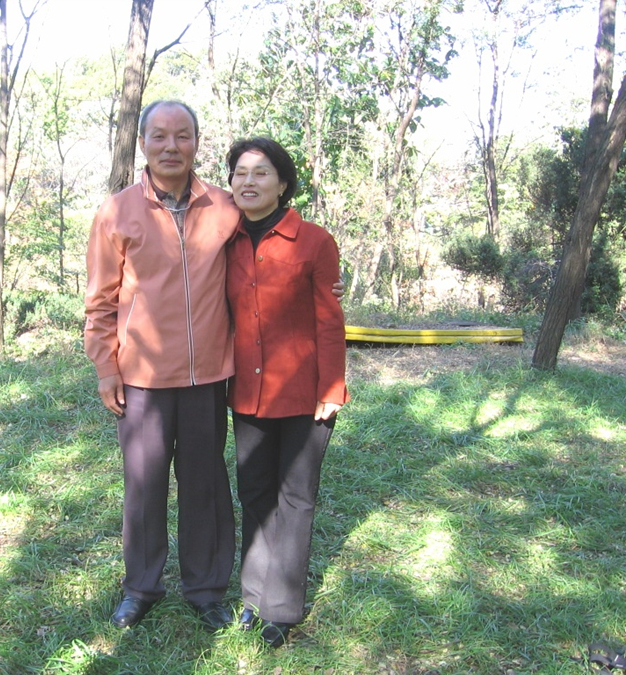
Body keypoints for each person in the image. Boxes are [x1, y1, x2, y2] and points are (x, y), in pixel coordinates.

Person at [84, 100, 239, 631]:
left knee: (204, 484)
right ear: (143, 143)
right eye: (160, 136)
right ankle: (141, 588)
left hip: (207, 376)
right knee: (144, 486)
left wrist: (321, 280)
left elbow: (265, 258)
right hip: (141, 380)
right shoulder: (117, 212)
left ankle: (206, 588)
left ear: (197, 142)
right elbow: (100, 302)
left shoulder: (225, 208)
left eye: (182, 135)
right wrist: (106, 367)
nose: (171, 146)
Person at [224, 137, 349, 647]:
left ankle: (282, 608)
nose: (248, 181)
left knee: (295, 498)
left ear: (282, 183)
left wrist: (332, 387)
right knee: (254, 492)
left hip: (303, 391)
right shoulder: (223, 239)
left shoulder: (314, 242)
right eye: (240, 173)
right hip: (246, 390)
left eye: (261, 172)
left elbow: (329, 320)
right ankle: (253, 597)